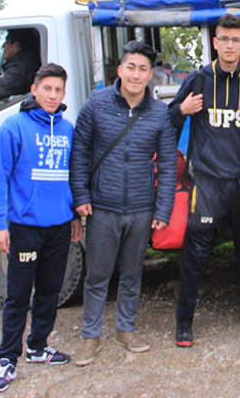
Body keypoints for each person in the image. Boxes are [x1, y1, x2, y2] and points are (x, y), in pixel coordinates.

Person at [69, 41, 176, 364]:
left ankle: (126, 329)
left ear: (150, 74)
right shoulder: (96, 104)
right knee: (97, 276)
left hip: (142, 208)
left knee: (132, 275)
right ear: (120, 70)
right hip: (103, 206)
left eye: (143, 68)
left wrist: (163, 209)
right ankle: (91, 336)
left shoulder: (159, 113)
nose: (136, 74)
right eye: (131, 67)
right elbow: (79, 153)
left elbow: (168, 164)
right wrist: (81, 196)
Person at [169, 13, 240, 348]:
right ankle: (184, 321)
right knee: (196, 254)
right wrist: (181, 109)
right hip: (207, 183)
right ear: (215, 42)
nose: (229, 45)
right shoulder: (198, 81)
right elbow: (169, 120)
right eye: (223, 39)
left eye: (236, 40)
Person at [0, 63, 82, 393]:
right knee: (18, 295)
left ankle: (38, 347)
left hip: (58, 226)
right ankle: (8, 359)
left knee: (51, 290)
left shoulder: (67, 129)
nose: (53, 96)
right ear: (34, 90)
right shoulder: (13, 128)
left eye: (58, 90)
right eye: (47, 89)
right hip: (24, 225)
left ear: (64, 94)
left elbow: (70, 176)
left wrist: (73, 216)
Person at [0, 28, 43, 101]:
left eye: (6, 42)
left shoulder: (20, 70)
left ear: (16, 46)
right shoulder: (25, 64)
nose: (3, 46)